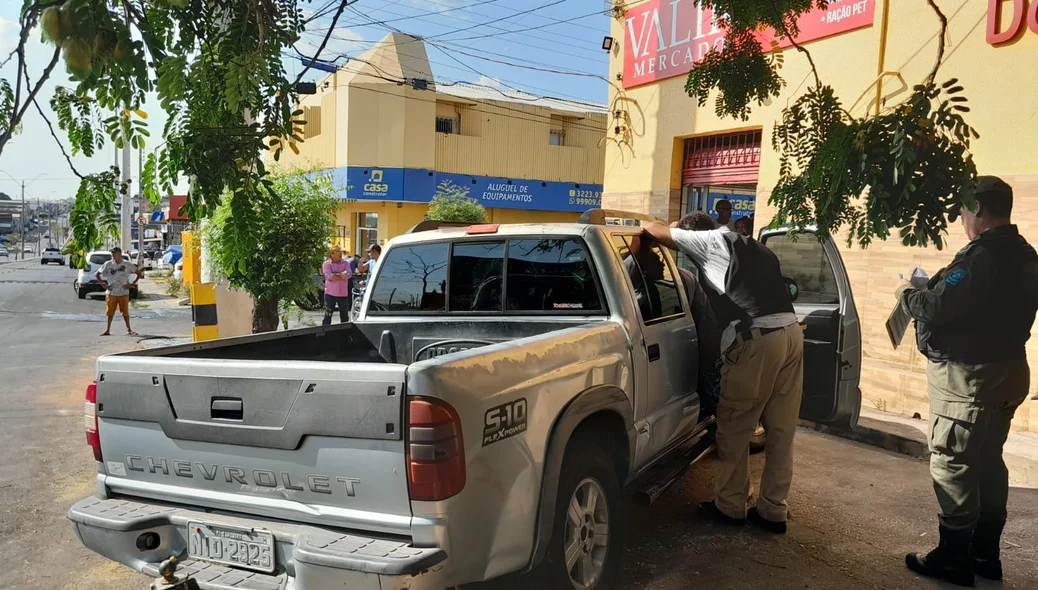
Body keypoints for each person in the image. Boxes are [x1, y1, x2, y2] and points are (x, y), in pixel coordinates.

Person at [898, 176, 1038, 586]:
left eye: (962, 210)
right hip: (1009, 370)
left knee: (953, 462)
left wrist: (906, 292)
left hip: (969, 379)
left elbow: (936, 307)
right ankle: (984, 556)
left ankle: (953, 558)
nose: (961, 219)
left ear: (977, 207)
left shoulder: (983, 257)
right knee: (988, 462)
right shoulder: (1027, 254)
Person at [644, 211, 802, 534]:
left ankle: (730, 506)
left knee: (734, 426)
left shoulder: (711, 241)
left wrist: (671, 229)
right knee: (781, 431)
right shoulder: (754, 246)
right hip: (791, 336)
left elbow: (653, 229)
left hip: (758, 340)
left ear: (694, 235)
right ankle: (773, 510)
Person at [670, 220, 724, 410]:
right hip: (719, 348)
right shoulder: (717, 256)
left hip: (720, 349)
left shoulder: (712, 260)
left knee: (729, 417)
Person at [95, 247, 142, 336]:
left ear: (119, 254)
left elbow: (139, 273)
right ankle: (108, 329)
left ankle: (129, 329)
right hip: (111, 292)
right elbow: (97, 274)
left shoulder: (127, 264)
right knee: (110, 312)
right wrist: (103, 284)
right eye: (112, 254)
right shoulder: (108, 264)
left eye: (115, 254)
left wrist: (131, 284)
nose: (113, 256)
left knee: (125, 312)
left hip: (123, 292)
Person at [322, 246, 352, 325]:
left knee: (344, 316)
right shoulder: (326, 263)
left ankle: (345, 334)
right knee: (328, 315)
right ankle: (325, 333)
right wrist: (341, 275)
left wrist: (336, 274)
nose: (337, 255)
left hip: (343, 294)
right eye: (334, 253)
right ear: (331, 254)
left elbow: (349, 274)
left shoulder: (346, 263)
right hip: (330, 293)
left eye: (338, 253)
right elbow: (329, 276)